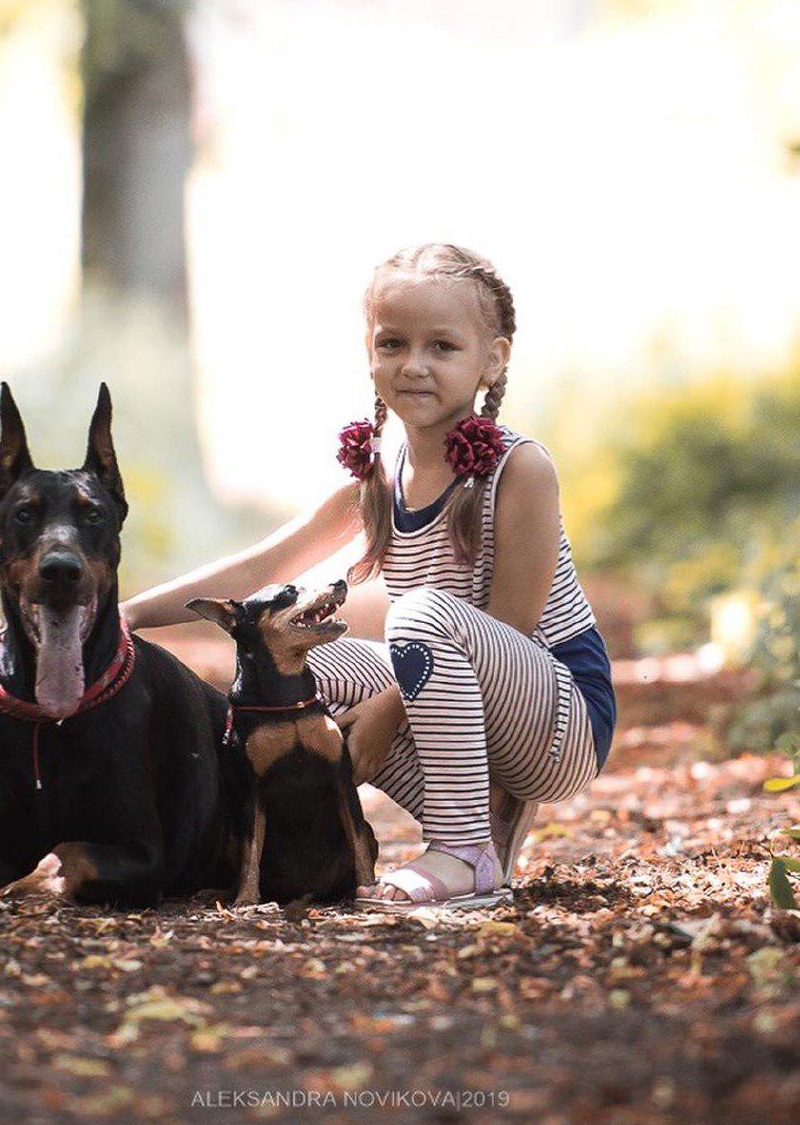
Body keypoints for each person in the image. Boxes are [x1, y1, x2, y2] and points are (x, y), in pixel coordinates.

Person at [122, 243, 616, 908]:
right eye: (393, 344)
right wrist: (122, 617)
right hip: (461, 700)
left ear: (492, 359)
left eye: (442, 347)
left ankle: (463, 848)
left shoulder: (520, 470)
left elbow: (511, 630)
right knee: (292, 668)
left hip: (558, 720)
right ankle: (279, 843)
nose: (413, 365)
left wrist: (389, 707)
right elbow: (260, 569)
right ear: (369, 351)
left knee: (419, 615)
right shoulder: (376, 480)